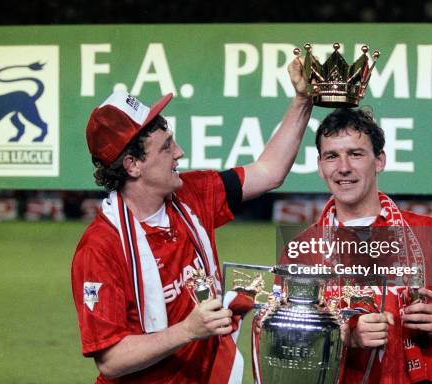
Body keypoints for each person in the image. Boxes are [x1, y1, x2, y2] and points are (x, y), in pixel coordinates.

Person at [71, 57, 312, 384]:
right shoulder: (99, 249)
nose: (179, 153)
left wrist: (302, 100)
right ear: (132, 165)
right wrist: (187, 331)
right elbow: (111, 360)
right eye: (166, 147)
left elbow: (269, 172)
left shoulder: (193, 192)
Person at [280, 108, 432, 383]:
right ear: (320, 166)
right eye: (332, 156)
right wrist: (346, 337)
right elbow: (284, 342)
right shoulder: (302, 248)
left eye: (356, 153)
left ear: (380, 160)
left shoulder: (428, 232)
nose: (343, 167)